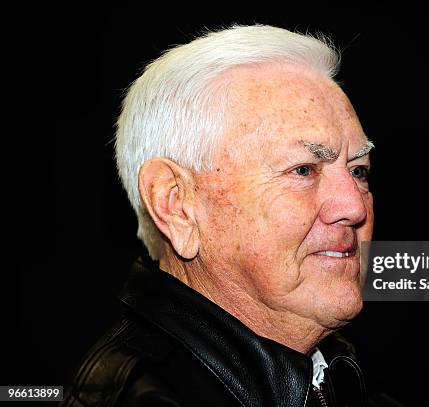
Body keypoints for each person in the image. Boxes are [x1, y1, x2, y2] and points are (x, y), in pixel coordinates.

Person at [62, 24, 401, 407]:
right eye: (303, 169)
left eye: (359, 171)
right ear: (177, 206)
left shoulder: (349, 385)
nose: (354, 207)